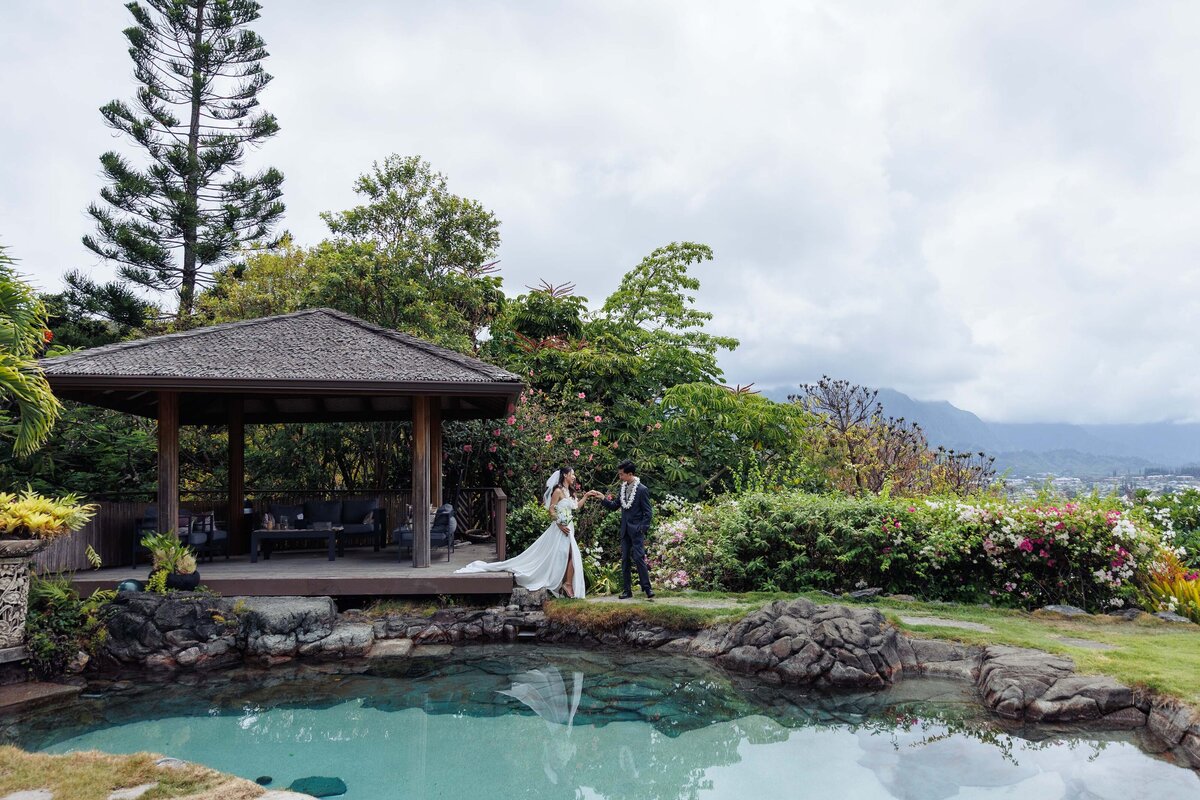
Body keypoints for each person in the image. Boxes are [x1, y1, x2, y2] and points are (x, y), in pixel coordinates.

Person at [456, 467, 588, 598]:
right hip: (560, 529)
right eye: (572, 474)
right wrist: (559, 523)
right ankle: (566, 584)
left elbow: (575, 507)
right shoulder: (558, 491)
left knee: (568, 554)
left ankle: (566, 583)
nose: (574, 476)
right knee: (568, 553)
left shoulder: (570, 492)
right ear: (565, 475)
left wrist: (587, 496)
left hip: (569, 527)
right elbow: (551, 511)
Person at [588, 460, 654, 600]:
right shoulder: (622, 488)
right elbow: (614, 506)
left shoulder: (642, 489)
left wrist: (642, 528)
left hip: (636, 531)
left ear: (630, 474)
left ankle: (647, 588)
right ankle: (627, 590)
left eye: (622, 474)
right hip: (624, 530)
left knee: (638, 558)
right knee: (625, 560)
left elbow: (648, 513)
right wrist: (603, 498)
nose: (620, 477)